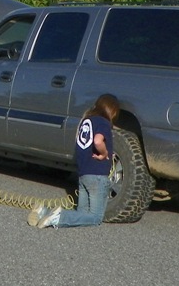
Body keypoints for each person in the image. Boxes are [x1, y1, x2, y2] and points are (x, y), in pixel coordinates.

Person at [29, 93, 120, 229]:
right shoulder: (103, 122)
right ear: (112, 111)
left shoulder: (86, 120)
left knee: (82, 214)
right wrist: (104, 153)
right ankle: (58, 218)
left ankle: (44, 212)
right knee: (95, 217)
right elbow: (97, 140)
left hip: (84, 175)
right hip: (97, 175)